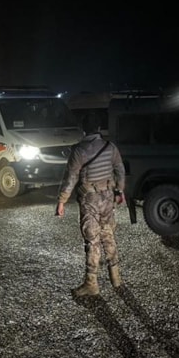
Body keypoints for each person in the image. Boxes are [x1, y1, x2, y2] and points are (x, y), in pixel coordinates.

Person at [55, 112, 126, 297]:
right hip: (108, 196)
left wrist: (62, 201)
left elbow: (71, 178)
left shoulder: (79, 151)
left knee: (92, 240)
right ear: (100, 129)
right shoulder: (110, 147)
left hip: (90, 199)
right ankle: (116, 278)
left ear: (83, 130)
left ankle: (91, 284)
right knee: (108, 234)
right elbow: (120, 169)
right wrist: (120, 191)